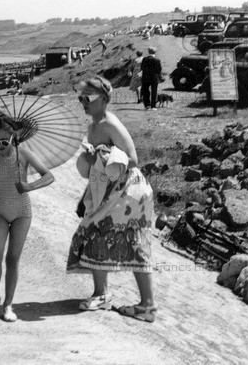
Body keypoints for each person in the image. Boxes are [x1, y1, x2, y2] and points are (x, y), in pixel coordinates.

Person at [67, 76, 157, 322]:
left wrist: (102, 152)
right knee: (96, 232)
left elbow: (133, 159)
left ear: (104, 100)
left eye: (89, 97)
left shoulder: (109, 123)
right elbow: (99, 164)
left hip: (128, 190)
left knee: (133, 240)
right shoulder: (93, 125)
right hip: (107, 188)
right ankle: (101, 294)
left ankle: (147, 305)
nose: (83, 102)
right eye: (80, 97)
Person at [0, 114, 55, 322]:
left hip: (21, 212)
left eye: (3, 142)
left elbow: (49, 176)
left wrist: (29, 186)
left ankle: (8, 304)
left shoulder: (23, 154)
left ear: (13, 136)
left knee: (12, 259)